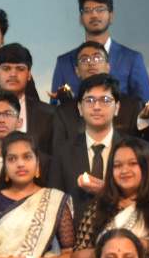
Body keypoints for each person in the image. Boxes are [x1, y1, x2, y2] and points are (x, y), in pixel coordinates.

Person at [48, 0, 149, 102]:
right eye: (87, 10)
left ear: (111, 16)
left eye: (100, 9)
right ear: (81, 18)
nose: (94, 15)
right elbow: (55, 107)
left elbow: (146, 104)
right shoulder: (64, 62)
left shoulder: (132, 59)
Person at [47, 73, 125, 223]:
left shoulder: (134, 150)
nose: (96, 107)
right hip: (75, 233)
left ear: (117, 107)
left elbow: (145, 198)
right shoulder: (63, 152)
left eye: (105, 100)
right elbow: (54, 202)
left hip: (124, 231)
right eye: (89, 100)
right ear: (80, 108)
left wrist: (106, 191)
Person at [48, 40, 142, 146]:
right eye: (84, 59)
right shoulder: (64, 112)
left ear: (108, 67)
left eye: (97, 58)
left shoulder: (132, 107)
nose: (91, 63)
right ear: (77, 71)